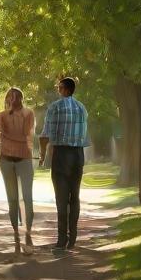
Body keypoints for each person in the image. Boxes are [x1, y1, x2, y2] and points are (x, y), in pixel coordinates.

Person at [38, 76, 89, 251]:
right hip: (78, 155)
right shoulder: (82, 108)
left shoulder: (54, 107)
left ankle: (62, 239)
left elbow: (45, 135)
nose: (58, 90)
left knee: (61, 197)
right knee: (74, 196)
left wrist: (42, 155)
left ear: (66, 89)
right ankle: (73, 236)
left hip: (61, 154)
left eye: (60, 88)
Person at [0, 87, 36, 254]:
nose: (13, 100)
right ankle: (16, 233)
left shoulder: (28, 114)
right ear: (6, 99)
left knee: (27, 197)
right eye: (10, 97)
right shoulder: (0, 116)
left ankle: (28, 232)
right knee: (12, 199)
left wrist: (7, 135)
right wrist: (6, 133)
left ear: (21, 98)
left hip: (24, 159)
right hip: (6, 160)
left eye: (17, 97)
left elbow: (27, 135)